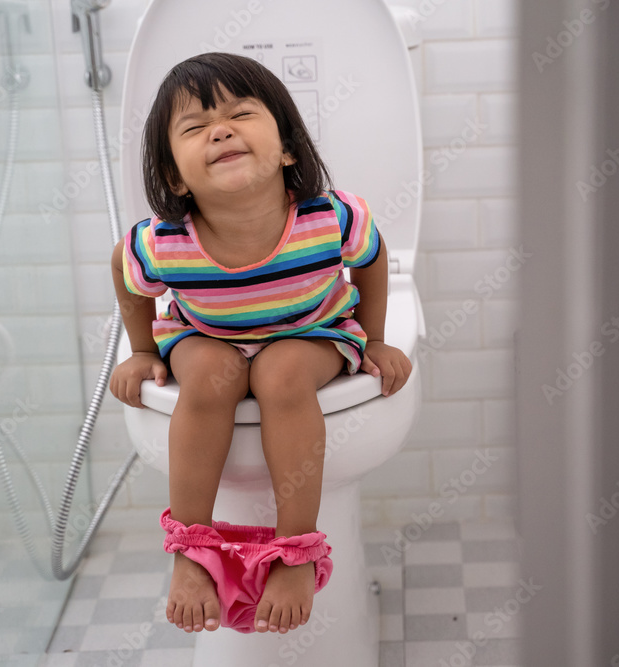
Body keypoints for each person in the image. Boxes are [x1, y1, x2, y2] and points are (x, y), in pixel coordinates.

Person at [109, 52, 412, 636]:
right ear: (175, 176)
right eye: (194, 128)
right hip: (207, 334)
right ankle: (192, 552)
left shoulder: (331, 218)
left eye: (240, 115)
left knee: (281, 375)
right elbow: (123, 273)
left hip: (311, 329)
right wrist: (143, 348)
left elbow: (374, 261)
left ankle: (296, 550)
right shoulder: (162, 242)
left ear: (289, 148)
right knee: (206, 379)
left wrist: (375, 337)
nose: (220, 129)